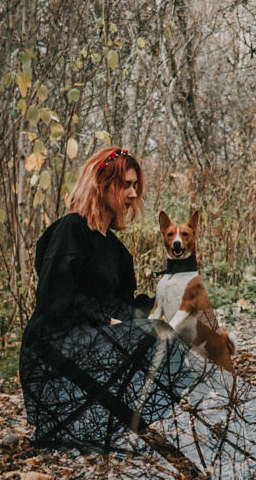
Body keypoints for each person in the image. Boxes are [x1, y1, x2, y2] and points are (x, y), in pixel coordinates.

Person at [19, 146, 195, 449]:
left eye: (135, 186)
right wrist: (105, 319)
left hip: (93, 342)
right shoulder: (70, 229)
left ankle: (112, 424)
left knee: (164, 333)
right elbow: (54, 298)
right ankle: (75, 423)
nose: (133, 194)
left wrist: (162, 303)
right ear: (101, 184)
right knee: (150, 334)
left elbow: (122, 307)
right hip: (52, 346)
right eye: (125, 185)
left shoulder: (118, 253)